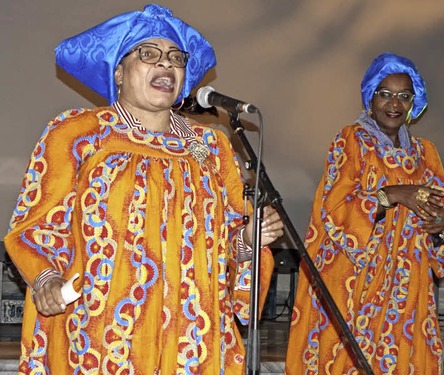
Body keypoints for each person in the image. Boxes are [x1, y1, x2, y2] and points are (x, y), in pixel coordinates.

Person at [4, 4, 284, 374]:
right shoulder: (78, 134)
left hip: (191, 338)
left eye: (175, 58)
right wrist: (46, 278)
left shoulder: (211, 147)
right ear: (119, 72)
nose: (165, 65)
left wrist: (248, 241)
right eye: (148, 54)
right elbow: (34, 225)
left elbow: (227, 245)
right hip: (102, 335)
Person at [285, 52, 444, 374]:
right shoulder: (350, 140)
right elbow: (333, 210)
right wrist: (392, 195)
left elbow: (440, 215)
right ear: (370, 97)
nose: (395, 103)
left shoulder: (426, 152)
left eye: (404, 96)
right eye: (385, 93)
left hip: (408, 283)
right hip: (355, 282)